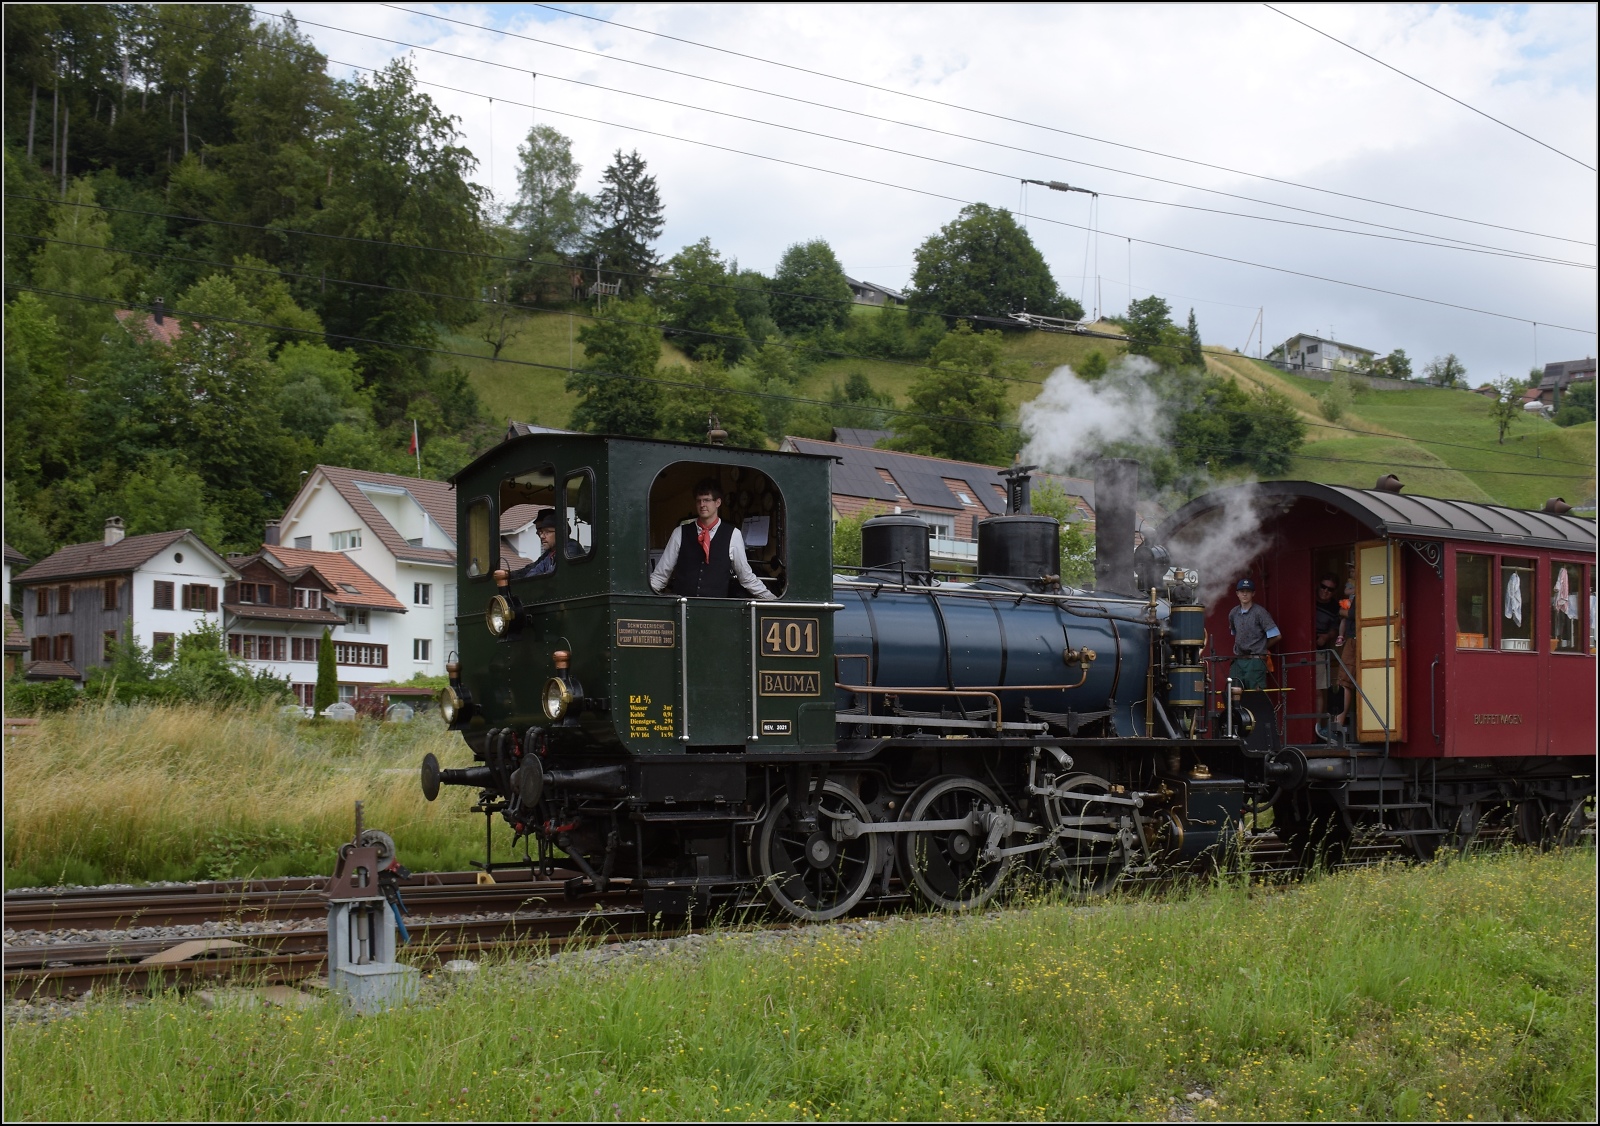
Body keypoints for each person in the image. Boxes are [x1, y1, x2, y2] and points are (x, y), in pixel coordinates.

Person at [650, 479, 776, 600]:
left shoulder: (733, 534)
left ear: (718, 503)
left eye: (707, 500)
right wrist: (646, 596)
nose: (702, 505)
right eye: (699, 501)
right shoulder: (680, 532)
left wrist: (774, 600)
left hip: (717, 610)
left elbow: (746, 577)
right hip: (682, 607)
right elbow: (661, 574)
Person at [1226, 578, 1280, 690]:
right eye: (1241, 591)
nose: (1245, 594)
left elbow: (1277, 636)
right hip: (1239, 659)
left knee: (1256, 695)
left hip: (1256, 660)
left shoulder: (1260, 612)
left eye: (1248, 591)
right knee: (1233, 692)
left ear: (1253, 593)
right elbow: (1236, 634)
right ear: (1237, 594)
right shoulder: (1233, 613)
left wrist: (1262, 647)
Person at [1313, 574, 1342, 739]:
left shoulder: (1334, 607)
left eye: (1330, 589)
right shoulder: (1309, 598)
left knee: (1319, 691)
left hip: (1319, 651)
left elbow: (1335, 628)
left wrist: (1326, 637)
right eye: (1323, 587)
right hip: (1299, 651)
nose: (1325, 591)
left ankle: (1317, 729)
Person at [1331, 578, 1358, 737]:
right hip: (1354, 637)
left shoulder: (1361, 589)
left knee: (1343, 680)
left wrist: (1340, 611)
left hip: (1354, 638)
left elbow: (1354, 613)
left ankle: (1336, 726)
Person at [510, 510, 561, 579]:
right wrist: (509, 575)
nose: (541, 535)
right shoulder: (549, 555)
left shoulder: (569, 550)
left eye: (546, 531)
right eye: (540, 531)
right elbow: (533, 570)